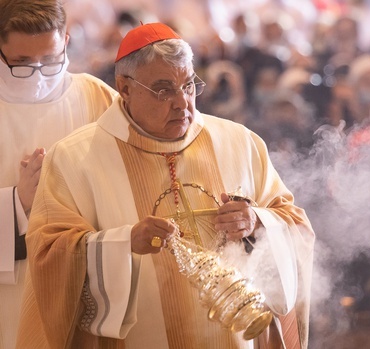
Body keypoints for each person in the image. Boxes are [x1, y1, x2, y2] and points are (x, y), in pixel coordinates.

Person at [17, 22, 315, 349]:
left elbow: (294, 222)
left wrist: (256, 221)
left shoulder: (239, 142)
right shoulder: (75, 158)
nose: (181, 103)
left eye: (188, 86)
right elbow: (49, 252)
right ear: (125, 88)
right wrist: (123, 243)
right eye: (163, 90)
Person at [0, 0, 117, 347]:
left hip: (76, 285)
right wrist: (16, 203)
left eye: (50, 61)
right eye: (21, 63)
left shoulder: (99, 99)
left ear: (66, 41)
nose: (37, 75)